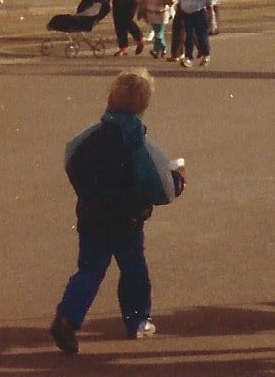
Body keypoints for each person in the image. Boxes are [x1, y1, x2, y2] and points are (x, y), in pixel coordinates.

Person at [49, 69, 187, 353]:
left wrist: (88, 192)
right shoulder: (138, 142)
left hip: (92, 217)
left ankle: (67, 316)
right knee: (134, 271)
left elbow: (71, 159)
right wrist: (178, 179)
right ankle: (137, 321)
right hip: (127, 221)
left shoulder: (89, 136)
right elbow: (159, 185)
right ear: (143, 106)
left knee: (88, 271)